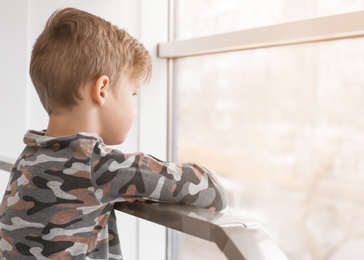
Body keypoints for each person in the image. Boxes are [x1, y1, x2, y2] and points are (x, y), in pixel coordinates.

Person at [0, 7, 227, 260]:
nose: (135, 111)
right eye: (133, 94)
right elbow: (211, 190)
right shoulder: (97, 165)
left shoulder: (29, 156)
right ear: (102, 89)